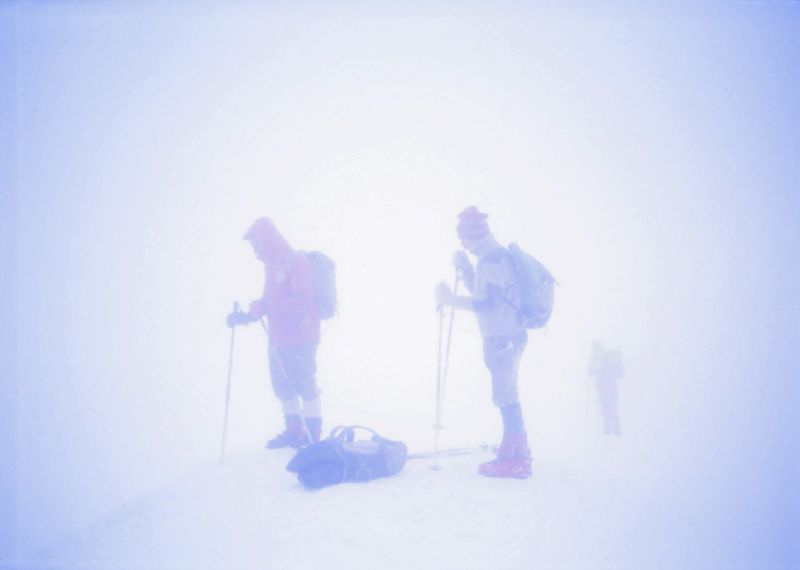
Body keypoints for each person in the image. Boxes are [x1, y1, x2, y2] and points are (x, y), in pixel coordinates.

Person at [435, 206, 532, 479]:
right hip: (507, 336)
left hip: (502, 338)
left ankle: (517, 457)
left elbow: (487, 303)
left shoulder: (491, 261)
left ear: (471, 236)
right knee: (506, 394)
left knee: (506, 396)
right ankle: (514, 450)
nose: (460, 242)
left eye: (462, 237)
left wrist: (449, 301)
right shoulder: (492, 257)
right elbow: (483, 291)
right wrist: (464, 266)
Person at [226, 217, 323, 449]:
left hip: (301, 336)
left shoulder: (296, 263)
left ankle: (312, 438)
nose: (254, 249)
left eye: (256, 243)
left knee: (305, 386)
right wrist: (248, 316)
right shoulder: (272, 266)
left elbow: (303, 301)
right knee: (283, 387)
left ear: (267, 240)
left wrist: (267, 308)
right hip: (278, 337)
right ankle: (294, 432)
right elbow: (271, 301)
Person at [586, 340, 623, 436]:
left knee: (606, 407)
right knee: (612, 406)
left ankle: (608, 429)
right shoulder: (608, 356)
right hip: (611, 386)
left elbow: (592, 371)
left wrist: (589, 369)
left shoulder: (596, 357)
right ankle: (616, 429)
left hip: (602, 387)